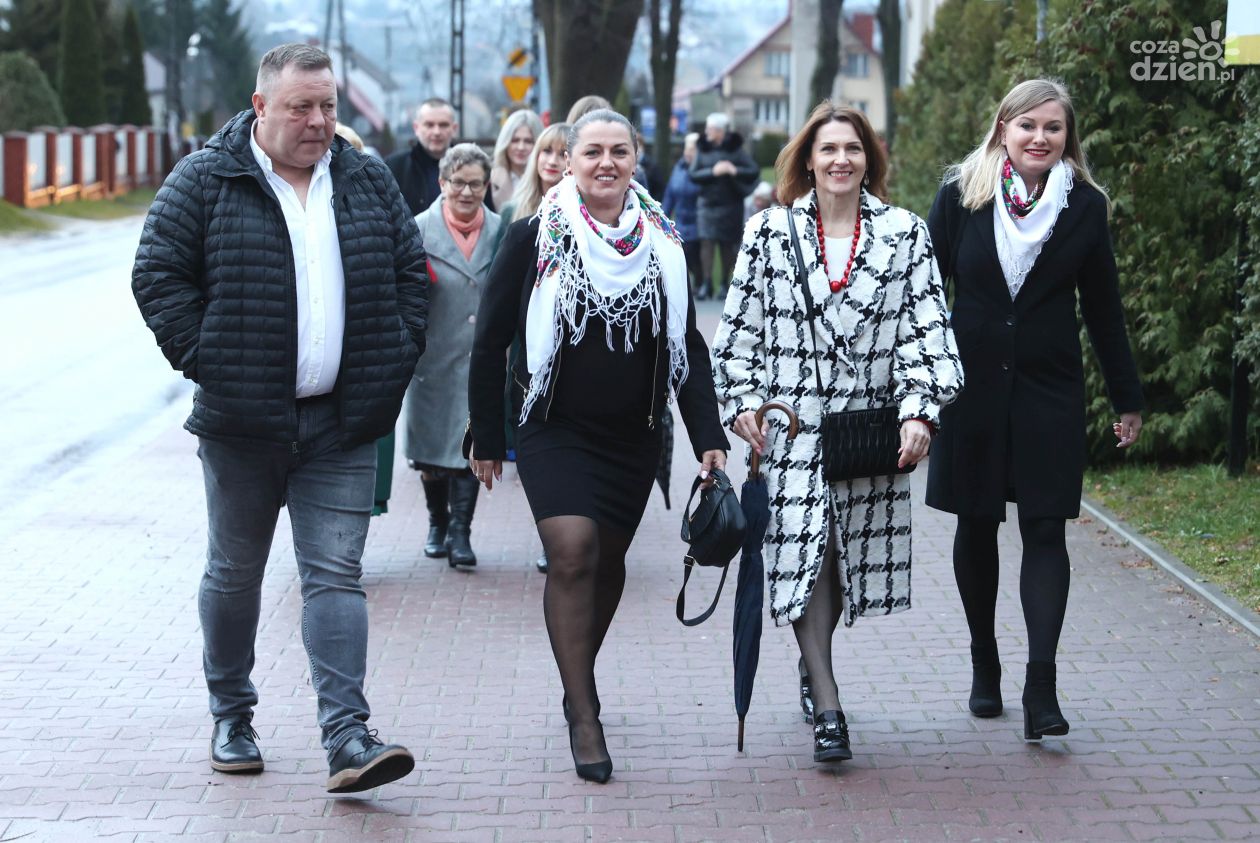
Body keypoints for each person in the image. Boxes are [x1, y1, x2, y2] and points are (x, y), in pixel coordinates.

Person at [131, 43, 425, 793]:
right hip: (242, 425)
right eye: (302, 107)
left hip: (341, 424)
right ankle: (232, 715)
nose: (319, 121)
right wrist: (209, 358)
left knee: (336, 576)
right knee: (236, 573)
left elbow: (408, 274)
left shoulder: (365, 179)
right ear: (261, 106)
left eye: (328, 106)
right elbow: (157, 272)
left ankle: (348, 738)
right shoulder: (206, 177)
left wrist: (394, 356)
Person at [467, 109, 729, 783]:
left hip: (632, 436)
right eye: (592, 152)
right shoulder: (534, 236)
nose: (606, 162)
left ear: (635, 159)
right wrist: (487, 433)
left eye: (619, 151)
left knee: (607, 563)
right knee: (573, 550)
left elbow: (687, 345)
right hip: (553, 427)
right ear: (568, 161)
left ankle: (574, 674)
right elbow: (490, 339)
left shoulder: (663, 242)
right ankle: (585, 713)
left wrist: (708, 437)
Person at [710, 102, 963, 764]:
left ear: (869, 160)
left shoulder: (905, 234)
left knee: (845, 562)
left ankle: (811, 656)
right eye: (828, 149)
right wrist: (743, 401)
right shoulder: (768, 233)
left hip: (869, 429)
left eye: (852, 148)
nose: (841, 159)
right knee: (805, 555)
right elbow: (738, 334)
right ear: (807, 160)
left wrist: (919, 410)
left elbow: (927, 331)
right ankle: (828, 704)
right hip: (789, 428)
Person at [925, 78, 1144, 741]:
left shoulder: (1085, 206)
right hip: (970, 387)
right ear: (1003, 129)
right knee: (976, 523)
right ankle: (984, 661)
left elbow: (1103, 306)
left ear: (1067, 137)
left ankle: (1041, 685)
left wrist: (1127, 397)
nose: (1040, 137)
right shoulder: (961, 194)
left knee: (1047, 527)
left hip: (1050, 388)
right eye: (1027, 125)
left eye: (1053, 127)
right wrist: (915, 387)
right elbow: (926, 292)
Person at [404, 144, 502, 568]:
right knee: (430, 449)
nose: (466, 192)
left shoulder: (501, 230)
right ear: (442, 183)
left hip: (481, 359)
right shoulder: (417, 229)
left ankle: (461, 532)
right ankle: (437, 524)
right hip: (433, 358)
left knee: (471, 445)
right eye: (458, 183)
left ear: (486, 185)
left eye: (475, 184)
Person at [690, 112, 758, 300]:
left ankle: (724, 283)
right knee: (706, 243)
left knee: (727, 245)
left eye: (710, 129)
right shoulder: (702, 149)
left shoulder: (735, 149)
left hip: (730, 205)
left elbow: (753, 170)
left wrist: (734, 170)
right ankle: (706, 283)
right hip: (707, 205)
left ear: (720, 131)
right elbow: (693, 174)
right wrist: (713, 171)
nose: (706, 132)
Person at [386, 97, 459, 215]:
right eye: (429, 125)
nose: (436, 132)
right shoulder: (393, 167)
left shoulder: (471, 168)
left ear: (454, 129)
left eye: (443, 125)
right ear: (416, 128)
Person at [661, 132, 703, 299]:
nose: (688, 152)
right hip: (680, 221)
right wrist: (662, 217)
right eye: (687, 148)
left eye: (692, 149)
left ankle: (700, 284)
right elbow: (670, 194)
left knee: (695, 255)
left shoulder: (702, 170)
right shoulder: (678, 168)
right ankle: (691, 285)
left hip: (698, 221)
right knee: (683, 254)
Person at [489, 109, 544, 211]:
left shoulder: (547, 181)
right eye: (515, 140)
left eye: (528, 141)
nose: (521, 147)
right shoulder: (490, 181)